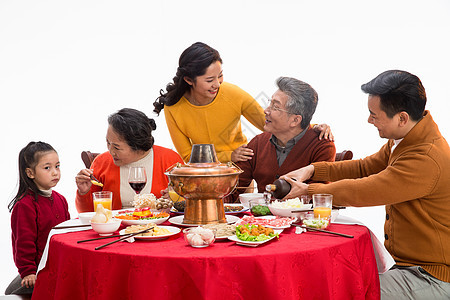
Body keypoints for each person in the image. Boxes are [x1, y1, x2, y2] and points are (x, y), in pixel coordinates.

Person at [282, 70, 450, 299]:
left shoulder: (425, 158)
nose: (369, 120)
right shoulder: (405, 139)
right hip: (403, 265)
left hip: (430, 276)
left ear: (401, 118)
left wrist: (309, 191)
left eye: (374, 115)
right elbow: (365, 167)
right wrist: (312, 169)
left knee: (345, 290)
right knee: (333, 275)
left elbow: (368, 189)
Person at [153, 42, 333, 163]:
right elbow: (187, 156)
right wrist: (228, 156)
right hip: (204, 178)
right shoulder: (173, 108)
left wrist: (311, 127)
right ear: (189, 80)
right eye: (210, 80)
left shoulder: (232, 93)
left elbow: (269, 122)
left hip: (241, 172)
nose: (217, 84)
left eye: (220, 76)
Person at [233, 76, 335, 198]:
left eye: (275, 107)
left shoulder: (321, 145)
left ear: (295, 120)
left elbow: (318, 197)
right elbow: (233, 190)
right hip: (261, 217)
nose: (266, 110)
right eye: (269, 103)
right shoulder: (258, 143)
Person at [75, 108, 183, 212]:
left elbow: (188, 202)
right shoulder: (101, 162)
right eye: (108, 143)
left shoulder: (170, 160)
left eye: (117, 147)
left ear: (138, 146)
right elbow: (88, 214)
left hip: (159, 228)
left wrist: (176, 200)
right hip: (115, 227)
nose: (111, 151)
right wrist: (83, 193)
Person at [6, 142, 70, 295]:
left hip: (60, 265)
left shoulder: (61, 199)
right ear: (30, 173)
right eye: (47, 168)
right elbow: (23, 242)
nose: (55, 172)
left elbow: (68, 231)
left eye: (57, 166)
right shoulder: (25, 205)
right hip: (38, 270)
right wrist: (28, 272)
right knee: (10, 294)